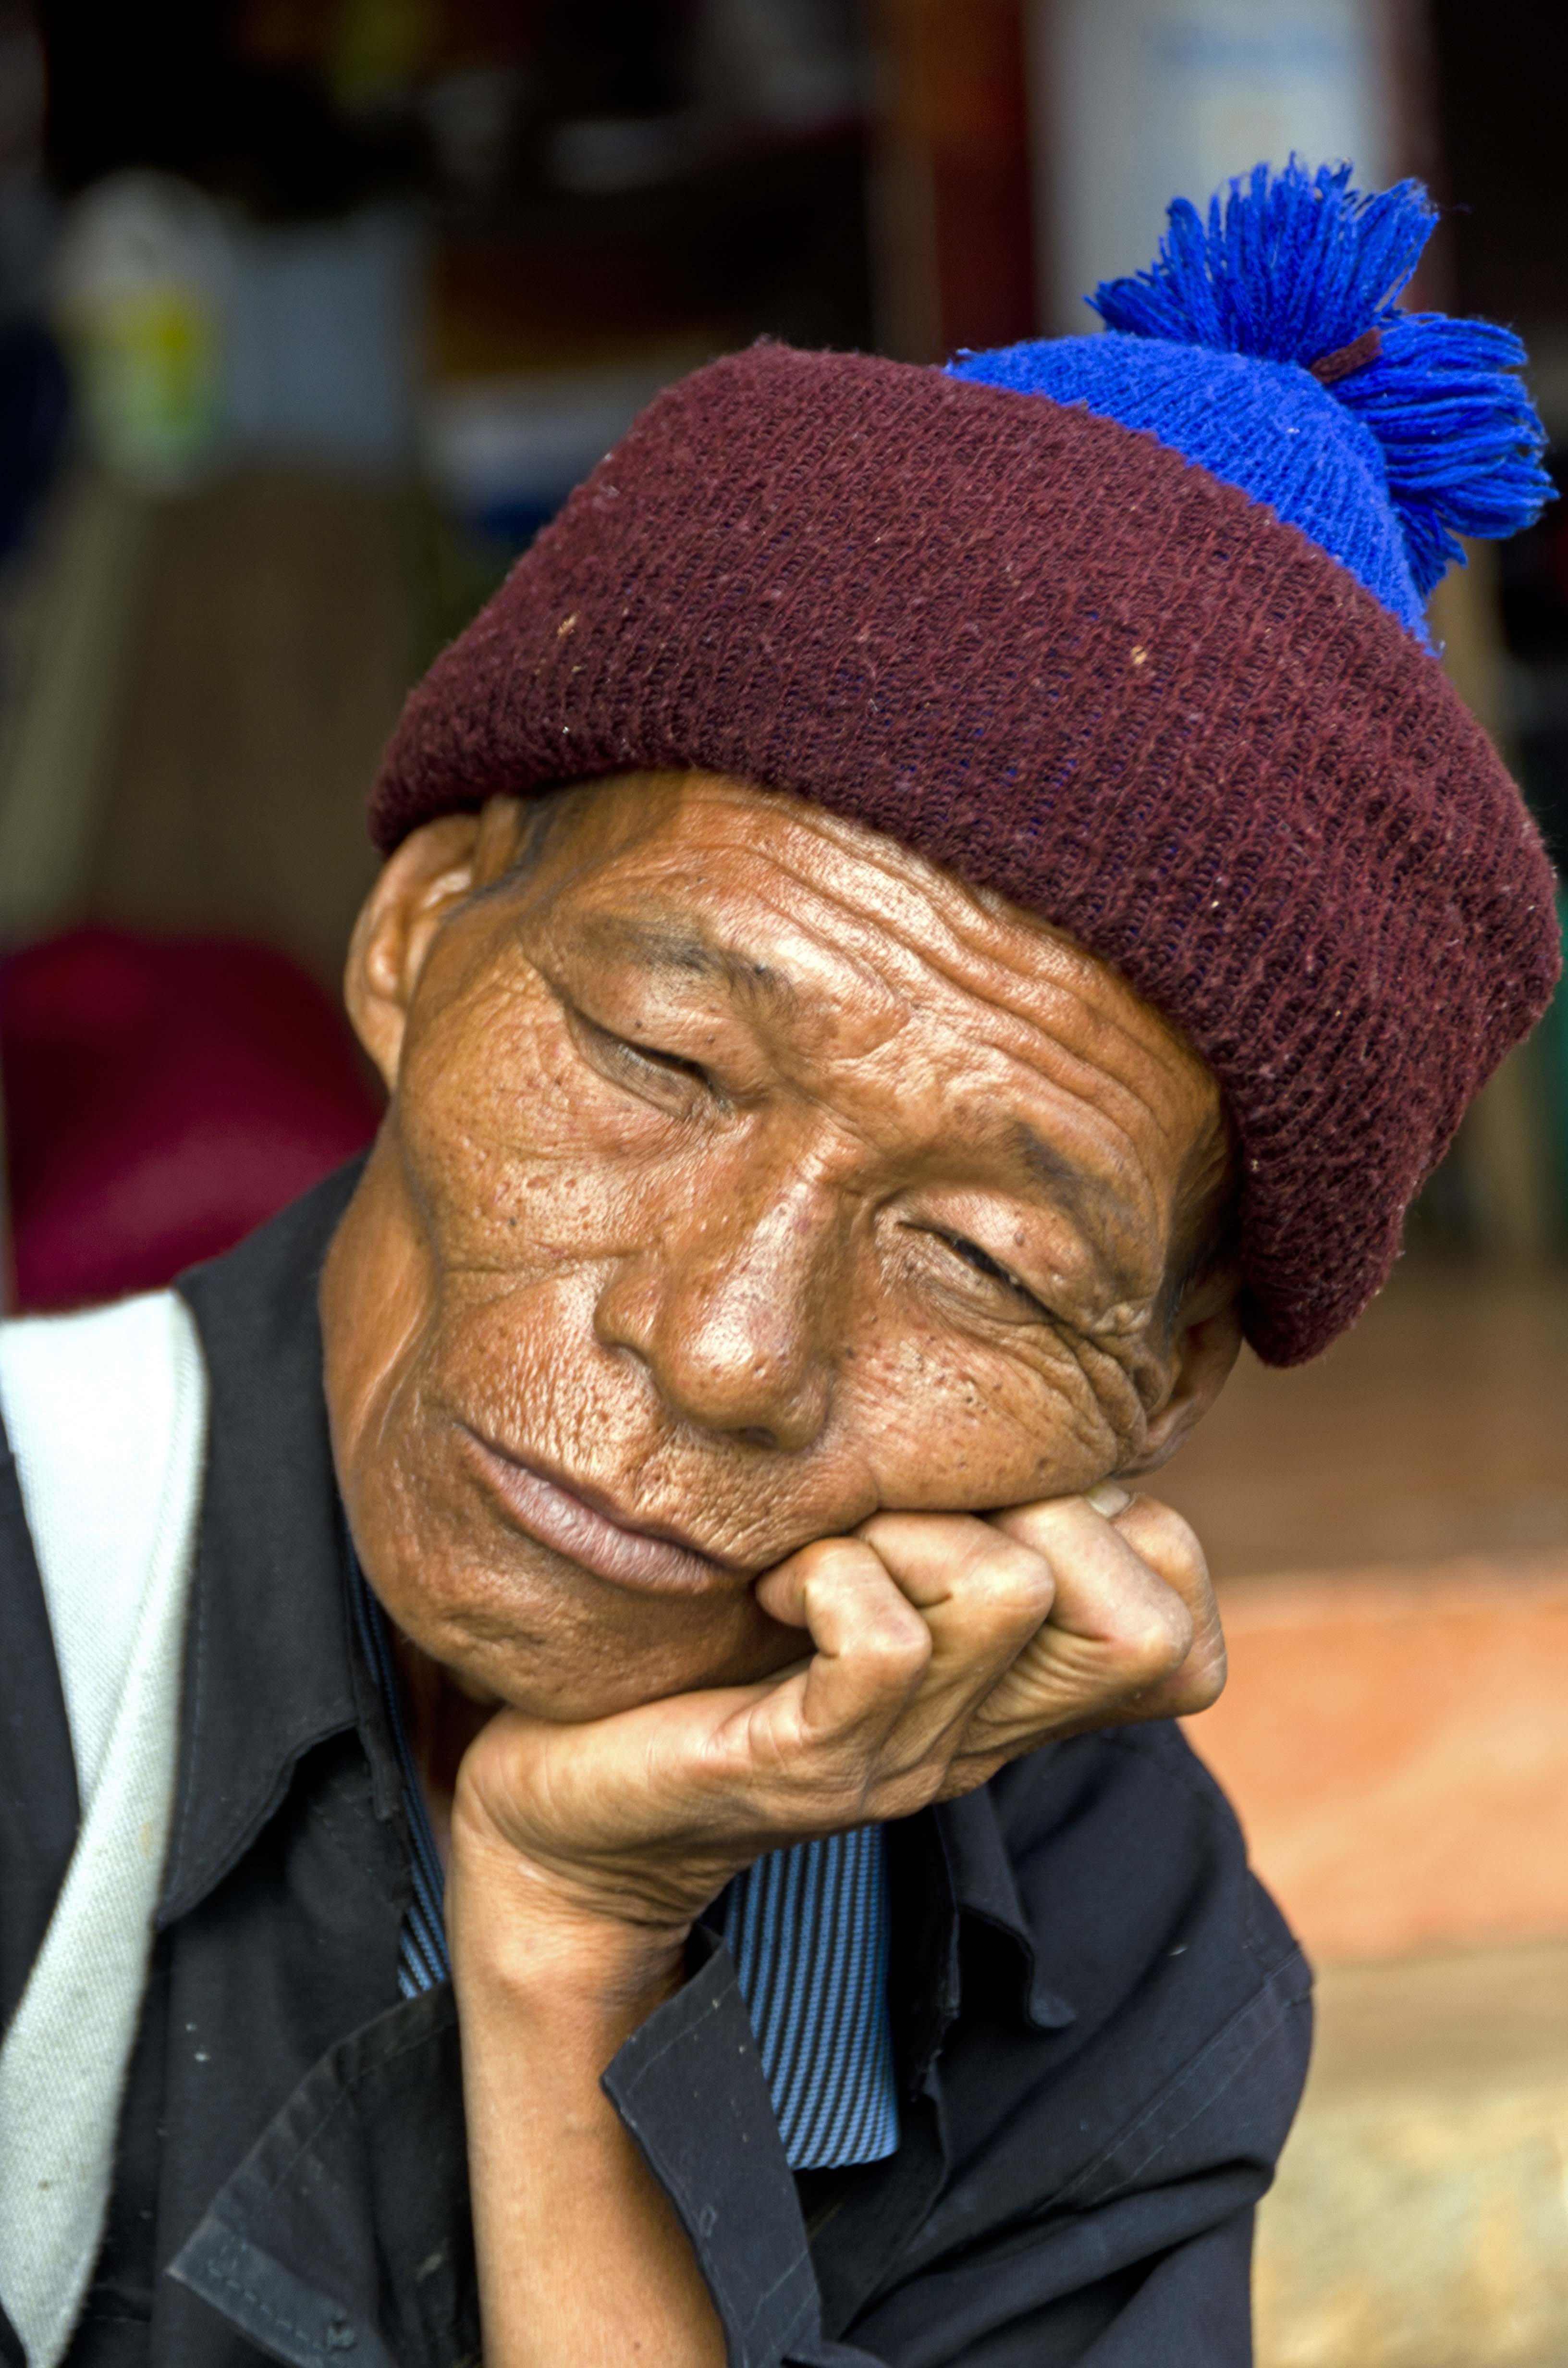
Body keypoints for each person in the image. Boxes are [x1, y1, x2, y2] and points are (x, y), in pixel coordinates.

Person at [0, 160, 1558, 2368]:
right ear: (422, 936)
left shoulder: (1104, 1922)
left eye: (982, 1256)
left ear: (1164, 1378)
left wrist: (567, 1948)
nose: (726, 1342)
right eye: (660, 1058)